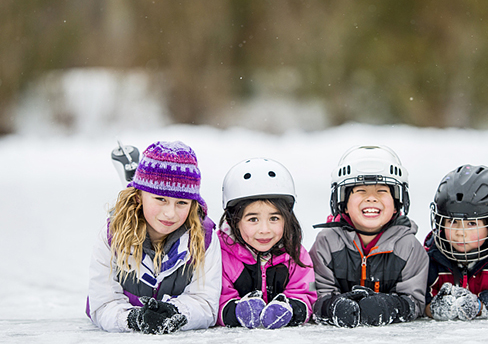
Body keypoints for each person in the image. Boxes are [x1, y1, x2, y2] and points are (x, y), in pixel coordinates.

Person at [87, 141, 222, 334]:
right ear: (138, 197)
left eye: (182, 202)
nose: (170, 213)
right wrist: (133, 319)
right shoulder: (112, 235)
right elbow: (102, 303)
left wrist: (176, 313)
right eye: (161, 199)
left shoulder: (203, 238)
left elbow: (205, 303)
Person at [309, 145, 429, 327]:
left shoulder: (409, 246)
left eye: (382, 191)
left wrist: (389, 306)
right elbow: (317, 296)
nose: (371, 198)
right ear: (343, 203)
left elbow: (415, 301)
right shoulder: (327, 242)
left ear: (397, 204)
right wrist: (332, 306)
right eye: (360, 191)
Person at [217, 158, 316, 329]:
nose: (265, 229)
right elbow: (218, 298)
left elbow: (305, 293)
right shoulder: (221, 254)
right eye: (253, 219)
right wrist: (236, 312)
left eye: (274, 218)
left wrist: (291, 309)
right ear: (234, 220)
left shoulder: (295, 254)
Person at [424, 165, 488, 321]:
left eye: (471, 224)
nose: (460, 232)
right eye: (452, 221)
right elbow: (418, 299)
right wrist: (432, 308)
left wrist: (479, 306)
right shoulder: (431, 259)